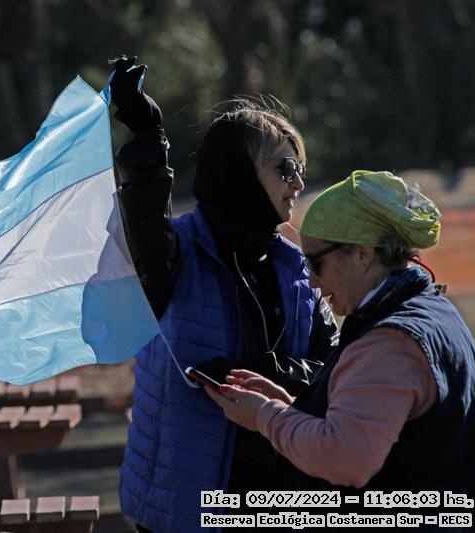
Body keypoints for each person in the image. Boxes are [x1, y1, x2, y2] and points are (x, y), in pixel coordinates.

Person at [109, 56, 338, 533]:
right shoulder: (175, 255)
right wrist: (147, 140)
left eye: (300, 168)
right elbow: (143, 224)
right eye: (285, 167)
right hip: (188, 502)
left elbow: (334, 365)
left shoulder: (295, 265)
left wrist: (274, 376)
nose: (298, 183)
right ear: (239, 172)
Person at [209, 170, 475, 531]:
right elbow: (375, 426)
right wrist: (293, 408)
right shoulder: (428, 309)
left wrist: (266, 416)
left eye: (315, 262)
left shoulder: (389, 342)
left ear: (362, 254)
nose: (311, 280)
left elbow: (344, 459)